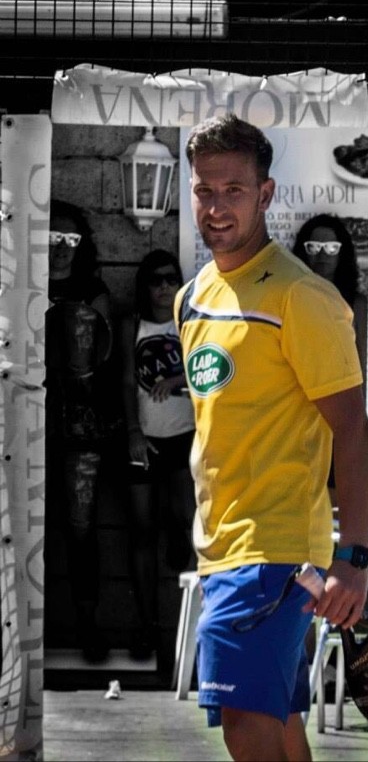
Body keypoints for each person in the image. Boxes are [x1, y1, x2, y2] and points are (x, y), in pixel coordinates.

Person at [176, 114, 368, 761]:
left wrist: (354, 559)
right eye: (205, 190)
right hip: (225, 548)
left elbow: (353, 429)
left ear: (265, 194)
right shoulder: (192, 297)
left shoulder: (301, 296)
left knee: (246, 727)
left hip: (273, 551)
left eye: (233, 190)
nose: (216, 206)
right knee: (280, 727)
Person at [45, 199, 112, 663]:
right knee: (26, 526)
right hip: (28, 420)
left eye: (71, 239)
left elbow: (105, 362)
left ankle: (88, 622)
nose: (62, 248)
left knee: (81, 528)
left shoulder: (92, 290)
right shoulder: (20, 282)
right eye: (54, 238)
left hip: (80, 426)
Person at [120, 249, 196, 661]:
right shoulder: (132, 324)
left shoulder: (190, 321)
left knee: (185, 526)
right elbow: (124, 380)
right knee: (141, 532)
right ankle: (147, 624)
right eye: (155, 280)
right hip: (144, 438)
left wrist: (176, 378)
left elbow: (211, 369)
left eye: (171, 279)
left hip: (185, 437)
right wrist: (133, 431)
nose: (164, 287)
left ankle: (191, 632)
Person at [292, 214, 367, 379]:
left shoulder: (359, 305)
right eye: (313, 247)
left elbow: (364, 362)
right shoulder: (289, 301)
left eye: (332, 248)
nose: (322, 254)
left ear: (342, 253)